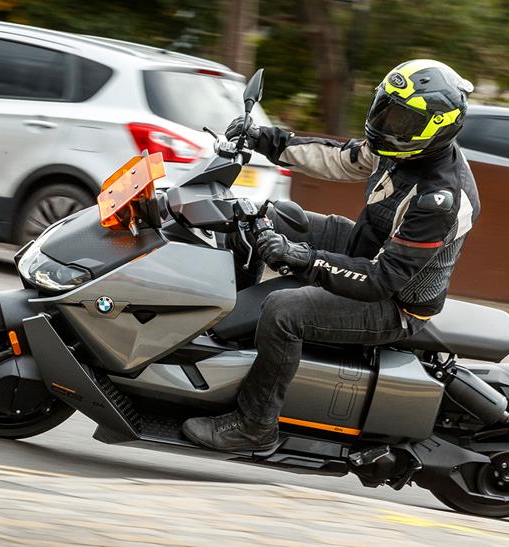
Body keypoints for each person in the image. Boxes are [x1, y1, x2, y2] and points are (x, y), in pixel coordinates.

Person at [182, 59, 480, 452]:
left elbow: (382, 279)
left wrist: (303, 258)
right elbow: (339, 157)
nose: (387, 123)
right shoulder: (400, 148)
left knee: (284, 310)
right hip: (363, 245)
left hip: (395, 303)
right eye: (385, 109)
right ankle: (226, 329)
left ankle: (255, 425)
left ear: (435, 128)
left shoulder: (440, 198)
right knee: (259, 214)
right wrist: (262, 138)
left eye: (402, 119)